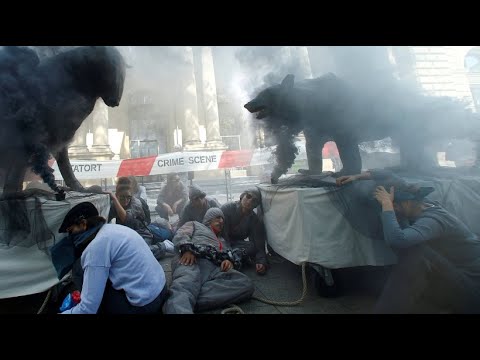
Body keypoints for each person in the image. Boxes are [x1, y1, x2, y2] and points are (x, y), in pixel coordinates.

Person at [337, 170, 480, 313]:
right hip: (455, 274)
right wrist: (356, 176)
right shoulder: (419, 203)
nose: (393, 209)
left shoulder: (433, 221)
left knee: (415, 253)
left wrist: (386, 203)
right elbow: (387, 175)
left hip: (472, 288)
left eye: (395, 205)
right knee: (415, 252)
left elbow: (397, 240)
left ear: (408, 201)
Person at [56, 202, 168, 314]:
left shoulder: (95, 249)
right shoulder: (111, 229)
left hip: (145, 305)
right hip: (160, 290)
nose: (70, 237)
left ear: (83, 224)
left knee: (79, 269)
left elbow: (88, 309)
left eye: (71, 231)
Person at [163, 208, 254, 314]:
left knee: (245, 284)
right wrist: (187, 249)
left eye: (222, 219)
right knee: (186, 283)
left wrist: (228, 261)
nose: (221, 221)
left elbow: (229, 254)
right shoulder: (195, 224)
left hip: (215, 268)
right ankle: (181, 304)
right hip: (192, 259)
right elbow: (181, 234)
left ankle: (181, 301)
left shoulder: (223, 240)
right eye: (218, 217)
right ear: (209, 218)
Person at [107, 184, 174, 259]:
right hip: (128, 237)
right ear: (117, 195)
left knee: (141, 254)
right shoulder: (114, 205)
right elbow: (105, 219)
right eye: (122, 197)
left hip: (142, 234)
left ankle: (164, 246)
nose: (126, 200)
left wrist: (115, 200)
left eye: (128, 197)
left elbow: (127, 219)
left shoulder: (136, 203)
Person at [220, 187, 268, 275]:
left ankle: (233, 259)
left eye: (254, 200)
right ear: (242, 196)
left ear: (256, 205)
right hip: (221, 241)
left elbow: (258, 244)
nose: (249, 201)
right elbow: (221, 235)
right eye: (248, 196)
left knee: (251, 246)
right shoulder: (227, 208)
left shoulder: (254, 219)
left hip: (236, 244)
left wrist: (261, 262)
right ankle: (232, 260)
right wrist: (227, 253)